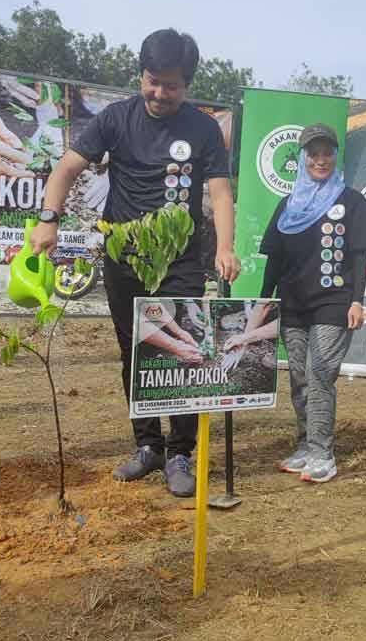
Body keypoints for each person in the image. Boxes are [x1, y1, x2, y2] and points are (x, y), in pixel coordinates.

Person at [31, 28, 240, 498]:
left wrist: (225, 247)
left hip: (180, 260)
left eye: (172, 85)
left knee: (184, 351)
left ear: (187, 85)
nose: (160, 93)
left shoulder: (203, 129)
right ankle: (148, 447)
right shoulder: (116, 118)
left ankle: (181, 451)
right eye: (152, 81)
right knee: (135, 352)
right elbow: (66, 167)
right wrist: (48, 219)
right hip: (123, 258)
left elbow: (220, 192)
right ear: (141, 75)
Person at [259, 124, 366, 483]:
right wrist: (264, 301)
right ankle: (304, 445)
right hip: (293, 304)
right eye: (313, 153)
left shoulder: (353, 202)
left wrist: (357, 301)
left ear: (335, 156)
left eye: (327, 153)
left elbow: (360, 257)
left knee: (320, 372)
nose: (321, 160)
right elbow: (275, 261)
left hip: (335, 302)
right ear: (302, 158)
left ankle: (322, 453)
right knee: (298, 376)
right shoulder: (288, 206)